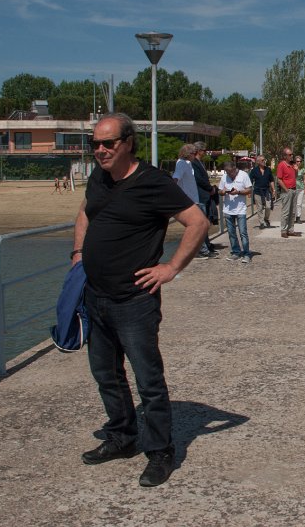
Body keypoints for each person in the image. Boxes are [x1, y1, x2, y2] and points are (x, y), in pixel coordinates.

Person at [72, 112, 209, 488]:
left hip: (134, 301)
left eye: (108, 143)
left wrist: (171, 268)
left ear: (128, 143)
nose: (100, 150)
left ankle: (161, 451)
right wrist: (79, 253)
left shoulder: (153, 182)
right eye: (95, 144)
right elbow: (85, 211)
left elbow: (198, 222)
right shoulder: (99, 177)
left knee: (148, 380)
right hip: (95, 296)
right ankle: (123, 436)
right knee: (106, 374)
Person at [173, 144, 216, 258]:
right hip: (190, 200)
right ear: (188, 154)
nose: (195, 155)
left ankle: (202, 249)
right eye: (193, 153)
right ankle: (201, 251)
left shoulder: (188, 163)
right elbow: (176, 178)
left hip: (194, 199)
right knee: (198, 226)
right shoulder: (181, 163)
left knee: (201, 225)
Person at [219, 160, 253, 262]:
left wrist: (238, 192)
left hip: (240, 209)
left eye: (230, 172)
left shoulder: (244, 175)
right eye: (227, 172)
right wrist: (223, 192)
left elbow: (249, 189)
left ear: (235, 168)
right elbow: (220, 191)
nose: (229, 174)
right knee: (231, 233)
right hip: (228, 209)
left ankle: (246, 253)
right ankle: (236, 252)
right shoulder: (224, 177)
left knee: (243, 232)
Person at [191, 142, 216, 250]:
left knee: (206, 221)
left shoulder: (200, 162)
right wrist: (210, 188)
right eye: (204, 150)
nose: (206, 152)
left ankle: (207, 244)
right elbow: (199, 179)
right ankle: (203, 247)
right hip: (200, 195)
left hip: (205, 195)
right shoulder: (194, 162)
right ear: (199, 151)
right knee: (202, 223)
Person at [276, 146, 301, 238]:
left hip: (294, 189)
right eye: (290, 154)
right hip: (287, 190)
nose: (292, 156)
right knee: (286, 211)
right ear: (285, 156)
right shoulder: (281, 165)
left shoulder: (292, 165)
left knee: (293, 211)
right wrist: (286, 190)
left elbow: (295, 176)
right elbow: (279, 179)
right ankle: (283, 230)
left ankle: (290, 230)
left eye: (292, 154)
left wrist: (296, 170)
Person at [249, 155, 276, 228]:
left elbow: (271, 180)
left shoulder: (268, 170)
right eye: (262, 160)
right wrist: (249, 191)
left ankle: (266, 219)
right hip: (257, 191)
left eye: (264, 160)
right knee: (259, 208)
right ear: (258, 162)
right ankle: (261, 223)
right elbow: (250, 181)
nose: (264, 161)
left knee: (268, 206)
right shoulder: (254, 170)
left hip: (266, 191)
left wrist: (273, 190)